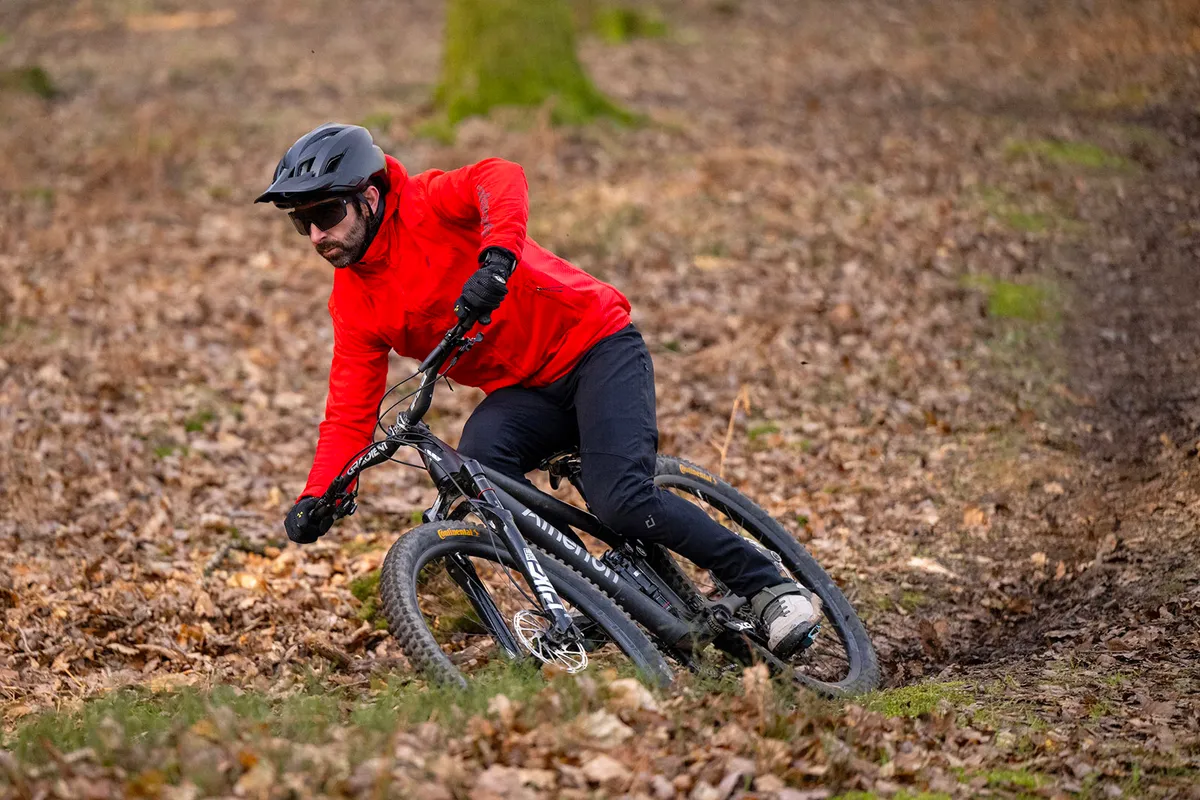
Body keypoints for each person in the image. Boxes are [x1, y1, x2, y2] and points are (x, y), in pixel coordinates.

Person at [256, 123, 822, 658]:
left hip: (597, 346)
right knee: (476, 473)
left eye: (326, 213)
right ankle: (594, 596)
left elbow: (499, 174)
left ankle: (770, 587)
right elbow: (349, 409)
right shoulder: (353, 299)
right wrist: (320, 493)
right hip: (523, 389)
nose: (315, 235)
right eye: (300, 222)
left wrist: (497, 256)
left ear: (370, 197)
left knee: (621, 498)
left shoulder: (427, 201)